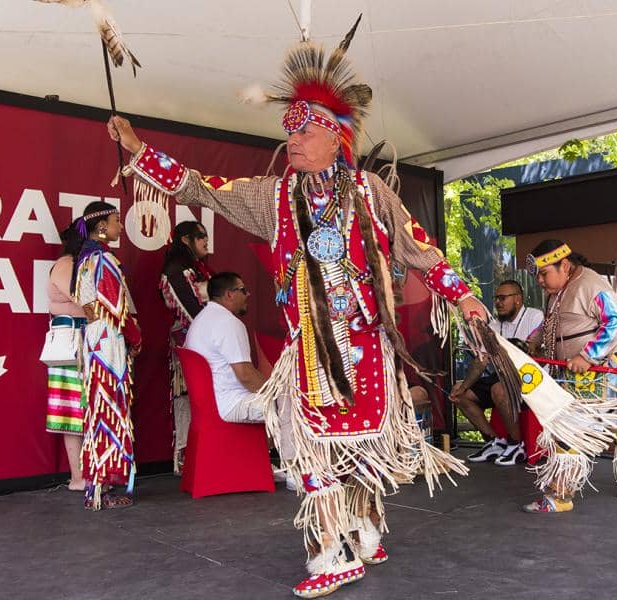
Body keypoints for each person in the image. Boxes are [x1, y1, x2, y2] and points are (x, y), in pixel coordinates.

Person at [106, 20, 483, 597]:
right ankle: (333, 550)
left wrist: (462, 294)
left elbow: (416, 247)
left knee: (361, 448)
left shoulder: (371, 193)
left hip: (367, 346)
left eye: (306, 131)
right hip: (310, 350)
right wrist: (140, 152)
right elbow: (201, 187)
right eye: (291, 131)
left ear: (336, 136)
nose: (294, 141)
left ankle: (363, 532)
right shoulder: (272, 196)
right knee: (308, 446)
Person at [520, 240, 617, 513]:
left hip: (594, 375)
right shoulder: (560, 288)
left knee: (570, 430)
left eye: (544, 273)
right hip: (579, 373)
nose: (539, 280)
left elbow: (616, 322)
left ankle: (560, 494)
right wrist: (533, 340)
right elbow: (554, 322)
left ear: (565, 265)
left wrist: (587, 356)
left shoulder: (590, 285)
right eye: (538, 275)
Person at [72, 201, 142, 511]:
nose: (120, 226)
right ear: (102, 226)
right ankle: (104, 487)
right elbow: (116, 309)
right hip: (108, 337)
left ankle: (97, 486)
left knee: (100, 407)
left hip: (94, 336)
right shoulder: (103, 259)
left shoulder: (86, 257)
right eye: (116, 220)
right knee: (110, 406)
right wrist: (135, 336)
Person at [451, 280, 543, 466]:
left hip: (530, 377)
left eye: (503, 298)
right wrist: (463, 387)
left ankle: (516, 444)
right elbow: (481, 360)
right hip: (501, 377)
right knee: (460, 394)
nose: (498, 303)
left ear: (517, 299)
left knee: (499, 389)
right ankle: (495, 442)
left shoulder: (534, 316)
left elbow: (532, 348)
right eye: (496, 299)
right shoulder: (493, 326)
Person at [160, 220, 214, 473]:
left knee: (203, 396)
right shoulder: (176, 271)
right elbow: (191, 310)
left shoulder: (197, 269)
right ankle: (187, 456)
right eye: (200, 236)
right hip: (190, 341)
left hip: (207, 340)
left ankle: (206, 452)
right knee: (187, 396)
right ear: (185, 240)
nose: (206, 240)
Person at [185, 272, 268, 423]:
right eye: (243, 290)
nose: (248, 294)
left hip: (211, 404)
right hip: (231, 403)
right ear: (229, 294)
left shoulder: (201, 319)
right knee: (292, 407)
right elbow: (246, 376)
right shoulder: (228, 322)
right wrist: (274, 392)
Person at [44, 223, 88, 491]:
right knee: (72, 410)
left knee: (91, 406)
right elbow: (84, 298)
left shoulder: (81, 264)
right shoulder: (66, 264)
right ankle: (78, 476)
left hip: (89, 337)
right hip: (71, 340)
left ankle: (92, 472)